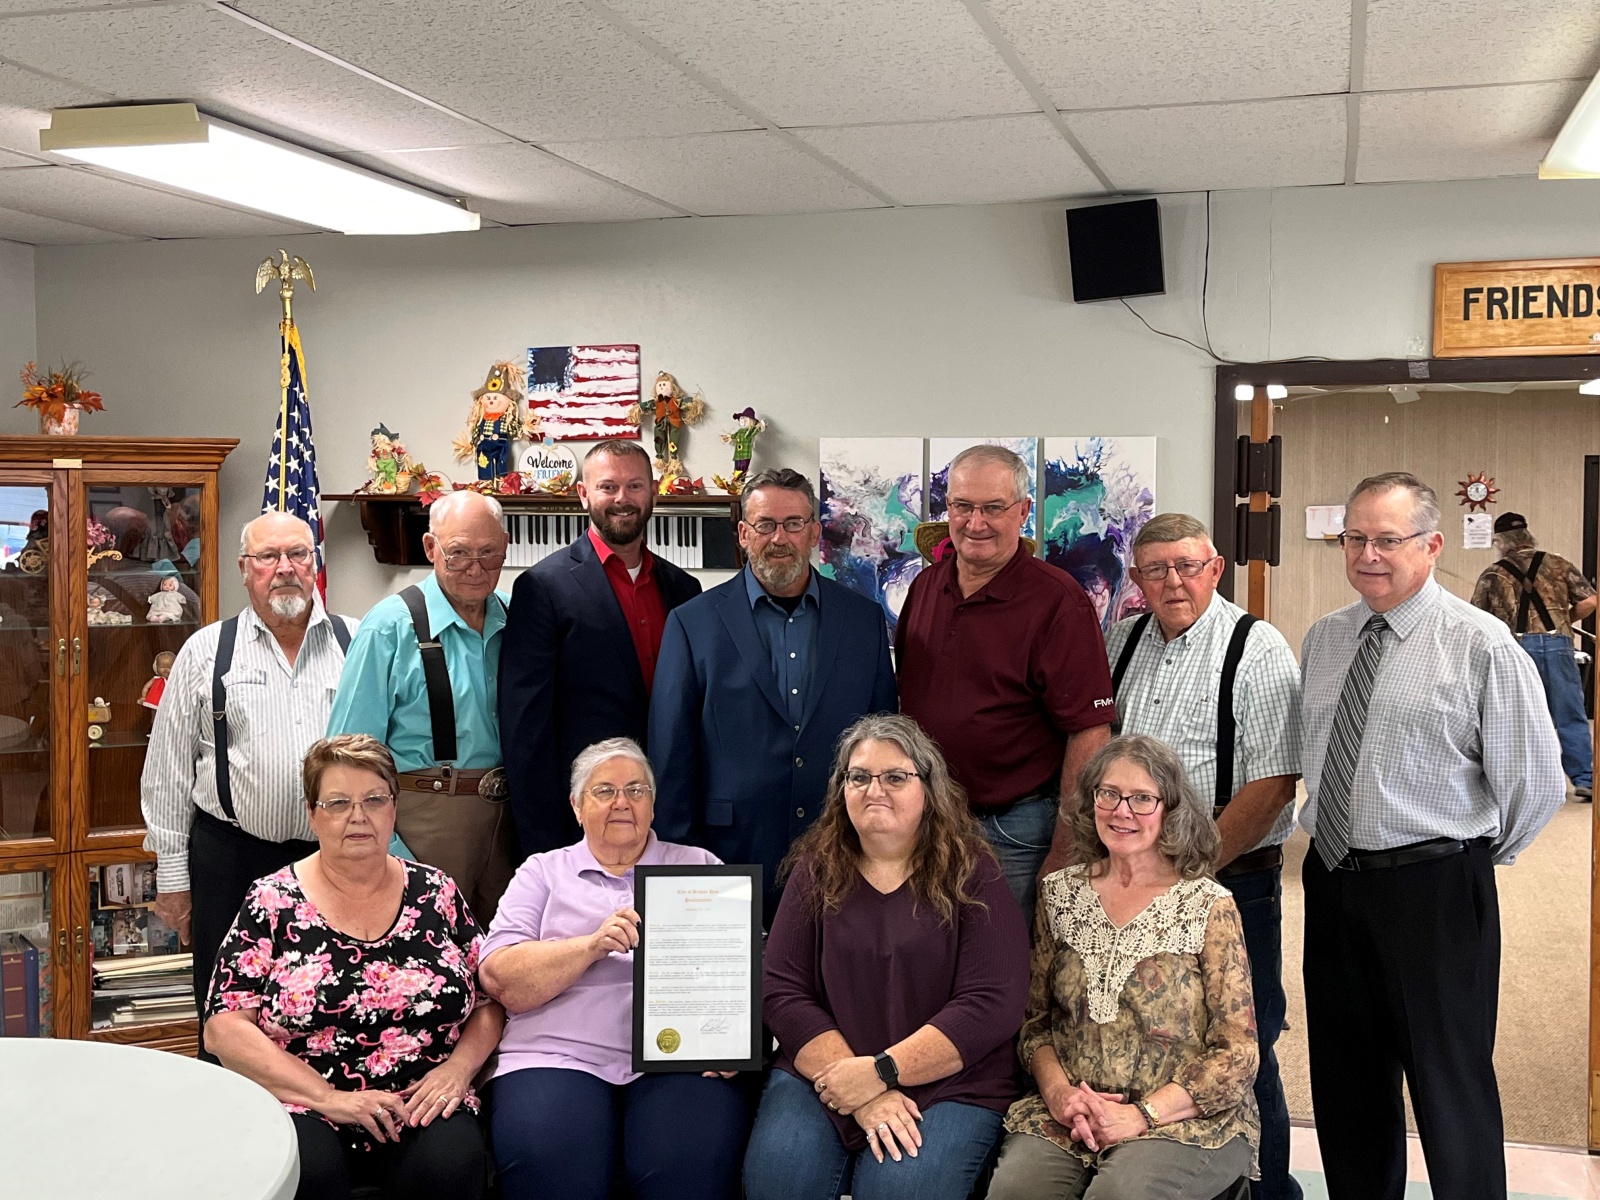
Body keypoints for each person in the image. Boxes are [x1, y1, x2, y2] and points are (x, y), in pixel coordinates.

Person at [1300, 473, 1564, 1200]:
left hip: (1437, 888)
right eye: (1356, 538)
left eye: (1388, 539)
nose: (1368, 555)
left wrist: (1464, 859)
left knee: (1450, 1086)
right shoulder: (1325, 639)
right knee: (1347, 1082)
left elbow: (1536, 785)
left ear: (1432, 545)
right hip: (1332, 881)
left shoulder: (1480, 643)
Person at [744, 713, 1030, 1200]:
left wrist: (880, 1073)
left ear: (928, 789)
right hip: (826, 1070)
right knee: (780, 1180)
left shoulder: (973, 871)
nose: (875, 789)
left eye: (895, 777)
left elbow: (992, 1001)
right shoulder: (817, 867)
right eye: (859, 777)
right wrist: (860, 1089)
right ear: (842, 790)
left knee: (899, 1190)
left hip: (950, 1081)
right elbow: (782, 990)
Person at [206, 734, 503, 1200]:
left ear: (394, 808)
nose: (357, 816)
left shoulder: (436, 891)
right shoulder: (272, 900)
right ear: (312, 813)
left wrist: (458, 1071)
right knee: (309, 1171)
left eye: (373, 800)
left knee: (453, 1161)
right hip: (306, 1101)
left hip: (421, 1098)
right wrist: (331, 1099)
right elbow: (223, 1027)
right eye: (338, 802)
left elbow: (490, 999)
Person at [1103, 512, 1302, 1200]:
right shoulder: (1120, 640)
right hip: (1129, 883)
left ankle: (1270, 1190)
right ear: (1137, 580)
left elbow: (1274, 782)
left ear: (1216, 569)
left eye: (1188, 566)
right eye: (1156, 570)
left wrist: (1190, 871)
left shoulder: (1258, 647)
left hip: (1229, 885)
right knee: (1149, 1042)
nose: (1173, 582)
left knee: (1244, 1052)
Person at [986, 735, 1258, 1200]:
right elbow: (1035, 1027)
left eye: (1142, 799)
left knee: (1119, 1195)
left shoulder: (1207, 905)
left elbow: (1237, 1053)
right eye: (1108, 794)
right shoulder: (1060, 895)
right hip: (1074, 1112)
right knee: (1016, 1192)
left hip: (1183, 1118)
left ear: (1170, 810)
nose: (1121, 811)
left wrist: (1141, 1116)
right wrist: (1060, 1096)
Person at [479, 736, 749, 1200]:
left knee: (685, 1171)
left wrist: (731, 1039)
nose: (622, 802)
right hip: (556, 1054)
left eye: (636, 790)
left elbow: (736, 977)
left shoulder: (699, 866)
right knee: (554, 1167)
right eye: (604, 791)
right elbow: (500, 977)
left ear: (653, 804)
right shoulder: (541, 872)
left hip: (677, 1062)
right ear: (576, 805)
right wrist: (590, 946)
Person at [650, 468, 897, 923]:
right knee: (735, 994)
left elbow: (884, 744)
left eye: (793, 524)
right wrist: (676, 867)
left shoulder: (862, 621)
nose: (779, 538)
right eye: (765, 525)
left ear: (815, 533)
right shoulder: (692, 624)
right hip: (725, 857)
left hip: (841, 851)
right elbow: (671, 760)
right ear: (744, 533)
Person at [141, 512, 356, 1028]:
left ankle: (314, 1109)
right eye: (268, 557)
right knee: (227, 1016)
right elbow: (167, 771)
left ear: (314, 562)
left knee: (329, 1011)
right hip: (231, 860)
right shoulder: (206, 651)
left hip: (335, 861)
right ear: (244, 569)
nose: (285, 568)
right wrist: (173, 880)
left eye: (298, 554)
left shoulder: (359, 641)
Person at [895, 444, 1115, 919]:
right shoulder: (925, 587)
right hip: (926, 820)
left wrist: (1064, 851)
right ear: (947, 508)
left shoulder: (1058, 602)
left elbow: (1090, 730)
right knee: (931, 961)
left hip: (1014, 831)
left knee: (1003, 973)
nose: (976, 523)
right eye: (963, 506)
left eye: (993, 508)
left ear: (1022, 512)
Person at [499, 440, 701, 856]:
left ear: (653, 492)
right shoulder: (543, 588)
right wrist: (544, 843)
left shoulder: (685, 589)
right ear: (583, 494)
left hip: (669, 815)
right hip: (581, 820)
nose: (622, 499)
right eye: (608, 487)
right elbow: (525, 730)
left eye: (635, 486)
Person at [329, 490, 516, 922]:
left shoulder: (517, 618)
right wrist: (386, 851)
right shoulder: (388, 627)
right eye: (458, 554)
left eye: (489, 553)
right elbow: (347, 757)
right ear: (430, 548)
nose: (475, 568)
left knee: (502, 967)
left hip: (508, 825)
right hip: (422, 827)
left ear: (505, 547)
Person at [1470, 510, 1597, 800]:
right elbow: (1590, 600)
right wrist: (1565, 620)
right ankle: (1584, 778)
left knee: (1519, 716)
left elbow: (1476, 616)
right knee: (1570, 714)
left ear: (1501, 541)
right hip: (1557, 644)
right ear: (1527, 536)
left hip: (1516, 648)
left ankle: (1527, 782)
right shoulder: (1557, 563)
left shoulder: (1494, 572)